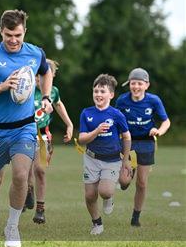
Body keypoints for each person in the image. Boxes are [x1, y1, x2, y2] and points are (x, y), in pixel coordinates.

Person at [0, 9, 53, 247]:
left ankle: (12, 226)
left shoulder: (36, 53)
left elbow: (46, 72)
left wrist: (46, 96)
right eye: (8, 35)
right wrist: (2, 86)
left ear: (24, 31)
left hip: (25, 128)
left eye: (17, 35)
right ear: (1, 32)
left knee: (20, 176)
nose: (13, 40)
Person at [116, 68, 170, 227]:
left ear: (147, 85)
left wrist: (158, 131)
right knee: (124, 181)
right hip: (128, 143)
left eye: (139, 83)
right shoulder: (122, 100)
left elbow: (166, 121)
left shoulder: (154, 100)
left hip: (147, 143)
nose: (136, 87)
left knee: (142, 183)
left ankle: (135, 216)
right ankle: (127, 175)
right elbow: (115, 120)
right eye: (133, 83)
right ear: (129, 84)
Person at [78, 74, 131, 235]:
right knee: (89, 195)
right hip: (91, 158)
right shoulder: (86, 113)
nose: (98, 94)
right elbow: (81, 139)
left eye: (102, 91)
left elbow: (127, 136)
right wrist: (96, 131)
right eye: (96, 91)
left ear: (111, 95)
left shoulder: (116, 114)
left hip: (112, 159)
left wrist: (126, 160)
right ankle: (97, 223)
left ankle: (109, 198)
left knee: (105, 191)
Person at [25, 59, 74, 224]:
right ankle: (28, 189)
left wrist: (69, 124)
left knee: (40, 169)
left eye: (44, 76)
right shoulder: (26, 90)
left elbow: (59, 105)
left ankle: (40, 208)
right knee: (24, 171)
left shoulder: (53, 91)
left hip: (43, 135)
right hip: (23, 135)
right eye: (37, 76)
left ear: (51, 77)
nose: (40, 80)